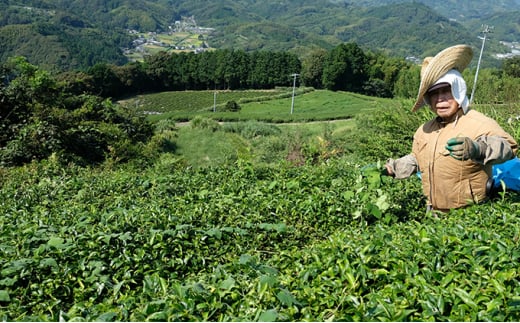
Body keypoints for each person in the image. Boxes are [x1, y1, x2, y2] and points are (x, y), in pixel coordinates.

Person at [384, 44, 518, 213]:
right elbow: (417, 159)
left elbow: (507, 146)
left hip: (470, 212)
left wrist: (477, 149)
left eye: (446, 91)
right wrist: (392, 168)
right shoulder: (424, 130)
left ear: (458, 90)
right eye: (434, 93)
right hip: (432, 211)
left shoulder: (477, 122)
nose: (440, 99)